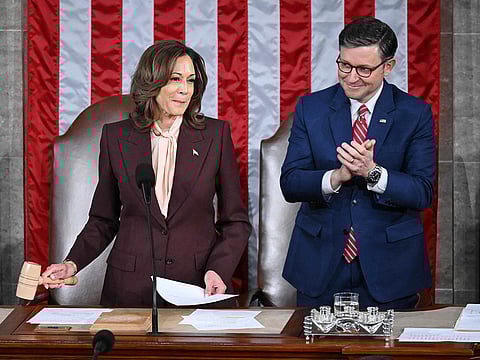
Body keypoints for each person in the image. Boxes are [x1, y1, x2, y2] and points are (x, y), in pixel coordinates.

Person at [42, 40, 251, 307]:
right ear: (152, 81)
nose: (184, 90)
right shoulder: (116, 137)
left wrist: (218, 269)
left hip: (198, 286)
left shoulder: (215, 136)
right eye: (175, 79)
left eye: (190, 81)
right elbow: (103, 219)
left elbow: (236, 222)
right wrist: (72, 264)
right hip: (130, 289)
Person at [280, 17, 435, 310]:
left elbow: (422, 191)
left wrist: (372, 173)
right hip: (320, 265)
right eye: (344, 65)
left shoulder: (414, 114)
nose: (351, 77)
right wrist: (336, 177)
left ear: (388, 66)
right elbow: (290, 182)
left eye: (364, 69)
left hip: (390, 269)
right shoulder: (310, 108)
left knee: (384, 357)